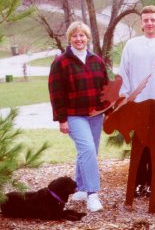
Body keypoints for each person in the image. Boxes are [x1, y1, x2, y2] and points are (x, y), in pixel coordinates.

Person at [48, 21, 109, 212]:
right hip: (74, 116)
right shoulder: (61, 62)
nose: (79, 39)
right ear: (69, 39)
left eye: (82, 35)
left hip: (95, 115)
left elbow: (105, 88)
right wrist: (62, 119)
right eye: (75, 36)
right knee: (88, 149)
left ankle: (81, 188)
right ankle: (92, 194)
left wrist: (108, 111)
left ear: (87, 38)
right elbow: (56, 92)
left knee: (88, 152)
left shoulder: (96, 60)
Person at [118, 5, 155, 198]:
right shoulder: (132, 45)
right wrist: (126, 97)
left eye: (153, 19)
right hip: (138, 104)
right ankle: (137, 182)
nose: (149, 23)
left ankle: (153, 183)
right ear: (141, 23)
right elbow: (123, 72)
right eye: (146, 20)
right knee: (141, 145)